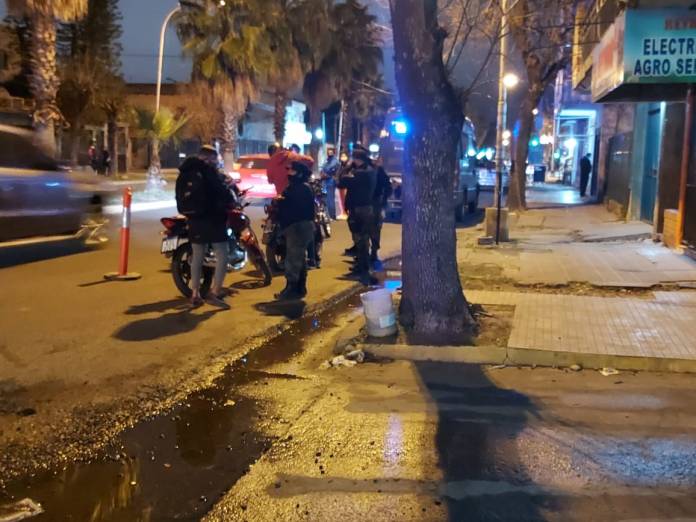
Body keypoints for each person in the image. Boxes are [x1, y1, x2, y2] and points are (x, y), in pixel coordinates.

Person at [176, 145, 233, 309]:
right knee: (223, 255)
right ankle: (214, 293)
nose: (216, 162)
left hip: (193, 219)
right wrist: (229, 198)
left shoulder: (185, 172)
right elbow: (222, 192)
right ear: (210, 158)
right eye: (215, 158)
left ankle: (195, 294)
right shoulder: (208, 172)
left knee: (197, 256)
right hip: (213, 219)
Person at [276, 161, 316, 300]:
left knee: (293, 259)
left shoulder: (302, 188)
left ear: (299, 173)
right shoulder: (295, 187)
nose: (289, 173)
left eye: (292, 171)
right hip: (295, 226)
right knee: (299, 258)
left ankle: (292, 288)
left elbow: (297, 208)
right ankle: (299, 288)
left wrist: (282, 201)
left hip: (299, 227)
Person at [338, 147, 377, 285]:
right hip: (367, 207)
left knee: (360, 240)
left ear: (357, 159)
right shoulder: (371, 171)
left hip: (359, 209)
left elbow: (340, 182)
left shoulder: (359, 174)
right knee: (363, 239)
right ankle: (362, 267)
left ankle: (362, 269)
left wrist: (347, 168)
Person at [371, 157, 393, 265]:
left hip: (376, 204)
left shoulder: (380, 173)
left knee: (375, 228)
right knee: (369, 229)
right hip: (371, 203)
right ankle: (368, 253)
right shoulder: (370, 171)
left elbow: (388, 188)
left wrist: (383, 201)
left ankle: (374, 252)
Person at [320, 145, 339, 219]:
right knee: (326, 199)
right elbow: (323, 169)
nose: (329, 152)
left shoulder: (335, 161)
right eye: (329, 151)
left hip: (331, 182)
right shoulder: (327, 160)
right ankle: (329, 215)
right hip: (326, 182)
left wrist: (326, 174)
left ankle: (332, 215)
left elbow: (330, 170)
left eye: (331, 151)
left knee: (330, 199)